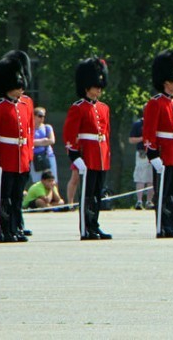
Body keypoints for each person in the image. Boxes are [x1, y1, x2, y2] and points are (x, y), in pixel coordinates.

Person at [0, 51, 34, 243]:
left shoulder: (26, 104)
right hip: (6, 157)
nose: (20, 90)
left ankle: (15, 227)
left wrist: (29, 156)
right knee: (5, 197)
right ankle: (5, 230)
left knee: (18, 196)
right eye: (15, 87)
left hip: (21, 156)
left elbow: (29, 133)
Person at [63, 57, 112, 240]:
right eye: (95, 85)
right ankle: (86, 228)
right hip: (88, 155)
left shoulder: (104, 108)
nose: (99, 89)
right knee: (88, 193)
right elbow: (69, 134)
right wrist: (75, 156)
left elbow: (106, 134)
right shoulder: (78, 108)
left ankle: (95, 224)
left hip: (101, 155)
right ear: (86, 86)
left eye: (100, 86)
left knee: (97, 194)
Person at [144, 50, 173, 239]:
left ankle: (172, 225)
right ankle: (163, 226)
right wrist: (153, 155)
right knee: (162, 192)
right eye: (172, 81)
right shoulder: (155, 103)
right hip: (163, 153)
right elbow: (149, 131)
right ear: (164, 81)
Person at [129, 110, 154, 210]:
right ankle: (139, 201)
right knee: (140, 177)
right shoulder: (138, 124)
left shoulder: (156, 123)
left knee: (151, 178)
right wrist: (143, 138)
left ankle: (149, 201)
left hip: (153, 152)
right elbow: (131, 140)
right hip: (142, 153)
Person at [31, 106, 57, 183]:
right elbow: (28, 143)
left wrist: (35, 142)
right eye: (40, 116)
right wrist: (43, 141)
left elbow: (52, 141)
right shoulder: (29, 128)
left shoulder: (47, 127)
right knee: (38, 182)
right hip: (34, 158)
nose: (42, 118)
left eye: (43, 116)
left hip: (48, 156)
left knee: (52, 181)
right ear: (34, 116)